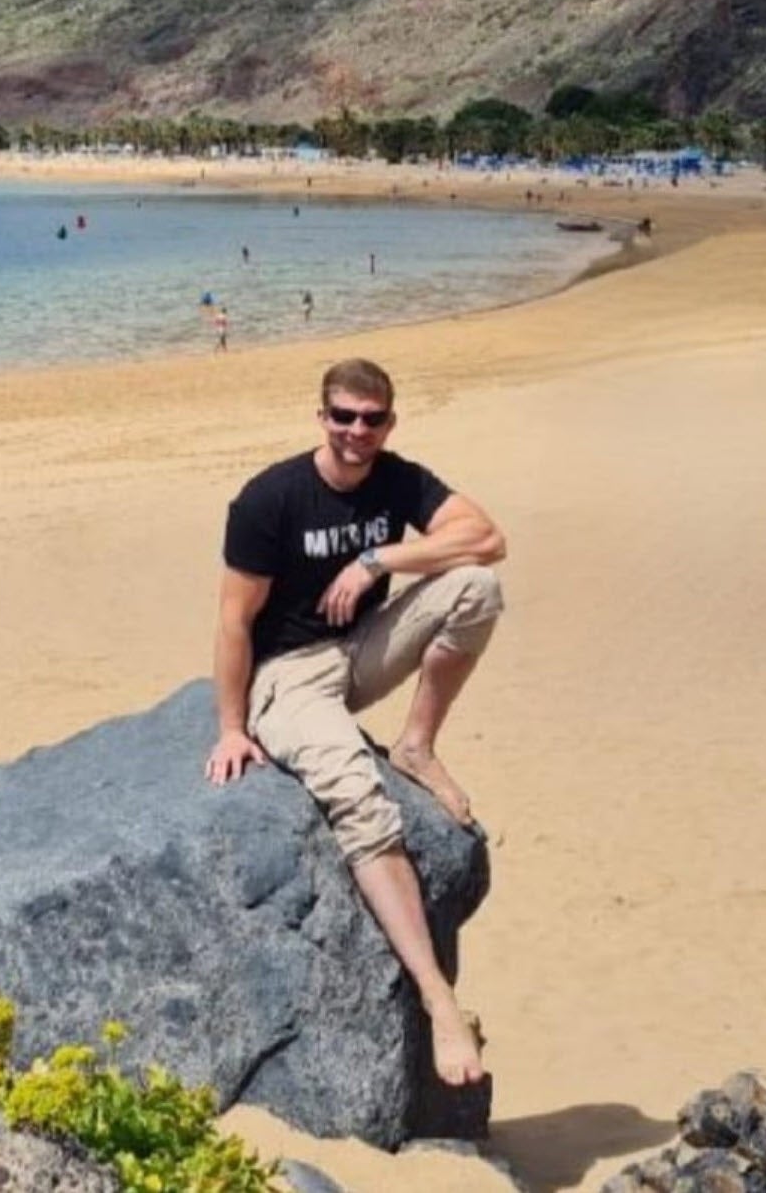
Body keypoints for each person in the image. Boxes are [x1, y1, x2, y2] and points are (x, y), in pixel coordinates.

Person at [202, 359, 506, 1087]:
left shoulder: (397, 478)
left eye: (371, 419)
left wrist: (379, 557)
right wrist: (232, 726)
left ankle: (417, 744)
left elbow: (486, 538)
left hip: (361, 652)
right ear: (321, 418)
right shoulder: (269, 500)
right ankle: (440, 1002)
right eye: (343, 416)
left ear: (389, 423)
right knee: (359, 801)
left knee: (477, 588)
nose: (355, 432)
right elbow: (232, 620)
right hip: (289, 676)